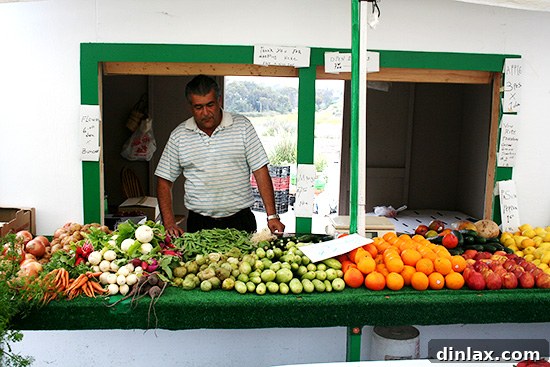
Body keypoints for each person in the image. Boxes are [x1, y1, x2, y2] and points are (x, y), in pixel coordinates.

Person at [155, 74, 285, 237]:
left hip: (240, 221)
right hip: (199, 224)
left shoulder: (242, 126)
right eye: (198, 107)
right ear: (190, 107)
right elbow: (164, 181)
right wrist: (169, 223)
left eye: (210, 105)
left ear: (219, 101)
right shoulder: (179, 136)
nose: (205, 112)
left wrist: (272, 216)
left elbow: (260, 170)